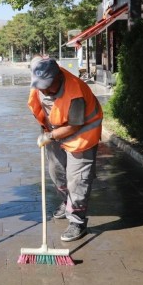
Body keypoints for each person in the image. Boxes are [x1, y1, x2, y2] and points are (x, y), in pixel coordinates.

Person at [28, 56, 103, 242]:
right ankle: (66, 202)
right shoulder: (40, 84)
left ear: (58, 77)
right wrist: (46, 129)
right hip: (55, 132)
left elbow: (74, 126)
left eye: (47, 85)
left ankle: (77, 221)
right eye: (40, 85)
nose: (43, 89)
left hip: (81, 135)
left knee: (77, 180)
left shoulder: (74, 92)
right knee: (57, 173)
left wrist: (49, 136)